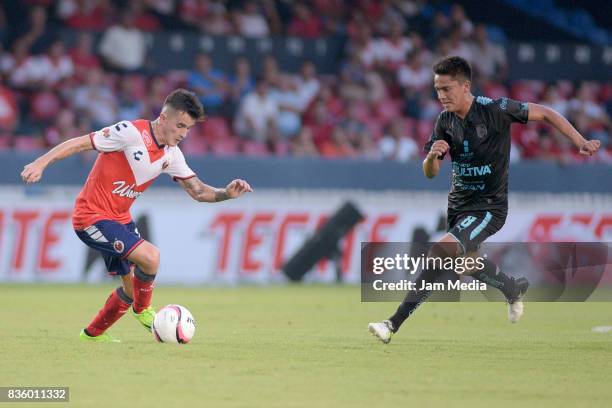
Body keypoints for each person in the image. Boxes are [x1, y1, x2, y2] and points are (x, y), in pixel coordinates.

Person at [368, 56, 601, 344]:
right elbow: (430, 173)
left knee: (440, 252)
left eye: (447, 89)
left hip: (489, 208)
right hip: (458, 207)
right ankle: (512, 288)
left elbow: (547, 113)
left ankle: (392, 324)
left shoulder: (496, 109)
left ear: (466, 86)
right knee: (467, 264)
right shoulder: (444, 121)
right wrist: (431, 157)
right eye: (437, 90)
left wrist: (580, 142)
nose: (441, 96)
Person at [21, 89, 253, 343]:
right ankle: (144, 311)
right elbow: (79, 143)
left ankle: (91, 336)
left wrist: (226, 193)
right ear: (163, 118)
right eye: (180, 126)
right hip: (91, 217)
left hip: (119, 219)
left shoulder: (172, 154)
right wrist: (40, 163)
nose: (184, 134)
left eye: (188, 129)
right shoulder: (130, 133)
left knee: (131, 289)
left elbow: (197, 191)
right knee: (151, 258)